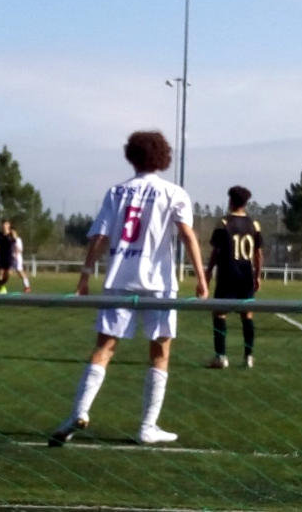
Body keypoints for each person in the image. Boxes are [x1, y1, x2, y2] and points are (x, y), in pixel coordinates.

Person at [49, 131, 208, 447]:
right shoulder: (174, 192)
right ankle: (147, 427)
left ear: (131, 156)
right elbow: (187, 235)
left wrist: (84, 275)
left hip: (119, 279)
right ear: (163, 157)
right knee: (160, 352)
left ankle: (78, 412)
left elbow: (99, 237)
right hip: (159, 284)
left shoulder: (116, 192)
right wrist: (201, 277)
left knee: (104, 347)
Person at [204, 186, 263, 369]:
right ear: (245, 203)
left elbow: (216, 251)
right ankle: (248, 357)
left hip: (227, 275)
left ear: (230, 201)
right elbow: (258, 253)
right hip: (246, 276)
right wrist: (257, 276)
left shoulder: (223, 223)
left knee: (219, 313)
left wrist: (208, 271)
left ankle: (221, 356)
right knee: (247, 315)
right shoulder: (254, 225)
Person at [0, 220, 15, 293]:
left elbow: (14, 243)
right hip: (1, 256)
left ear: (9, 225)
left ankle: (1, 285)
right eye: (3, 224)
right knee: (1, 273)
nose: (4, 225)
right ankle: (0, 288)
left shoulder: (12, 234)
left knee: (8, 273)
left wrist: (15, 253)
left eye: (6, 224)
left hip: (9, 256)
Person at [10, 226, 32, 292]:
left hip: (18, 259)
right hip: (12, 258)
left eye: (13, 232)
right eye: (11, 232)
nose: (12, 234)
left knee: (20, 272)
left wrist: (15, 254)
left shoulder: (18, 240)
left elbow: (20, 249)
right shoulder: (11, 240)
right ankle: (27, 286)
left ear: (16, 232)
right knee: (19, 273)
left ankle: (27, 287)